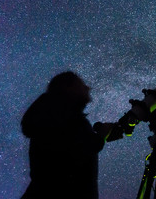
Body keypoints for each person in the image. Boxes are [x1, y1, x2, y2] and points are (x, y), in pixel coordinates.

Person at [21, 71, 123, 199]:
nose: (87, 88)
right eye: (81, 84)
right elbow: (85, 148)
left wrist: (98, 135)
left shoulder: (50, 117)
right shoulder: (68, 118)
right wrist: (102, 134)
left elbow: (69, 150)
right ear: (69, 89)